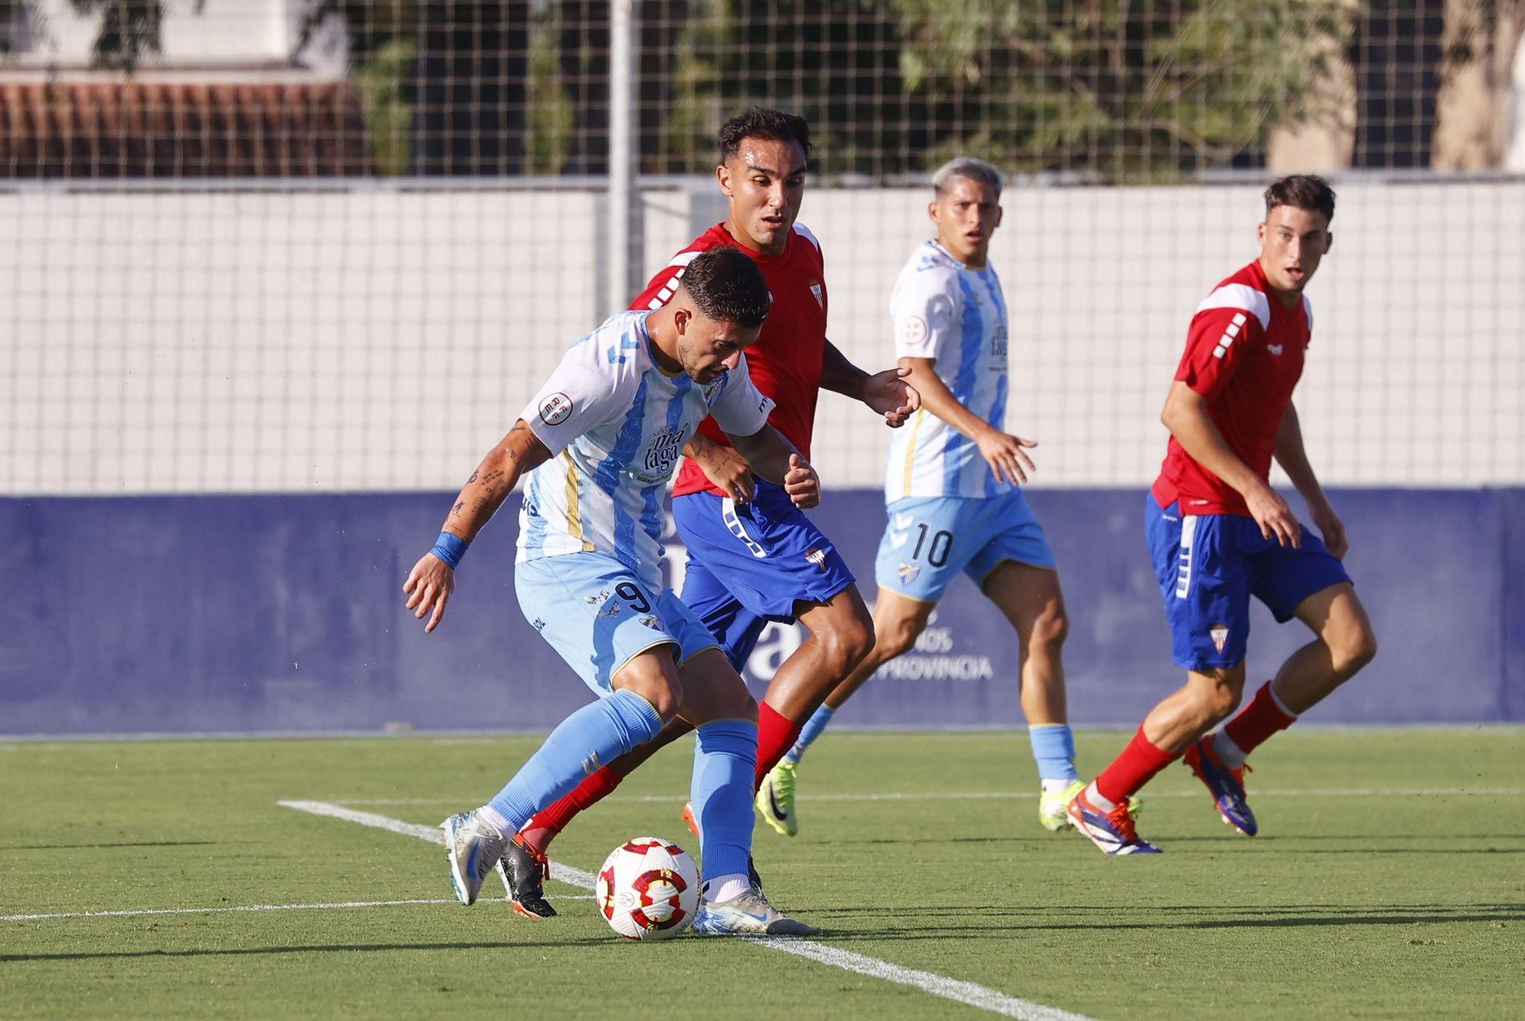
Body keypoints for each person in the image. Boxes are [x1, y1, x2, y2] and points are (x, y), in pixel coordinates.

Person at [494, 107, 918, 918]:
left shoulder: (807, 255)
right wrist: (712, 455)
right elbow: (647, 362)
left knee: (694, 699)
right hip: (727, 498)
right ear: (726, 179)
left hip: (760, 484)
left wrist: (861, 383)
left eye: (793, 181)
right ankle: (734, 799)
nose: (778, 198)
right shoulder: (696, 269)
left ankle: (535, 830)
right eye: (761, 180)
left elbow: (797, 345)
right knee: (848, 634)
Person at [403, 246, 821, 934]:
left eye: (740, 348)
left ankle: (726, 890)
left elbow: (759, 436)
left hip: (637, 570)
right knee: (656, 694)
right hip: (566, 560)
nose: (729, 360)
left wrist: (793, 465)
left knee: (729, 708)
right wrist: (446, 551)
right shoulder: (607, 364)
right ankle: (482, 825)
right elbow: (510, 453)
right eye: (722, 345)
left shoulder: (718, 362)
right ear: (681, 315)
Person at [760, 157, 1127, 836]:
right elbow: (914, 375)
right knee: (891, 634)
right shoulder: (928, 280)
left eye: (986, 208)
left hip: (991, 490)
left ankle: (1057, 786)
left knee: (1047, 622)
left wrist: (988, 446)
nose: (974, 218)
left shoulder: (979, 271)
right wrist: (984, 433)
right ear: (937, 211)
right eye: (962, 205)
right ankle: (779, 758)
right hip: (937, 485)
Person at [1066, 174, 1377, 855]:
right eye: (1284, 234)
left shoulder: (1298, 314)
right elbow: (1179, 410)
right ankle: (1100, 799)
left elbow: (1277, 408)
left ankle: (1223, 752)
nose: (1296, 249)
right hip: (1201, 514)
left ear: (1329, 243)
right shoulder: (1239, 307)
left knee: (1351, 641)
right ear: (1262, 234)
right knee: (1212, 690)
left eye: (1310, 238)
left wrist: (1314, 498)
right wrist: (1258, 491)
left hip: (1254, 512)